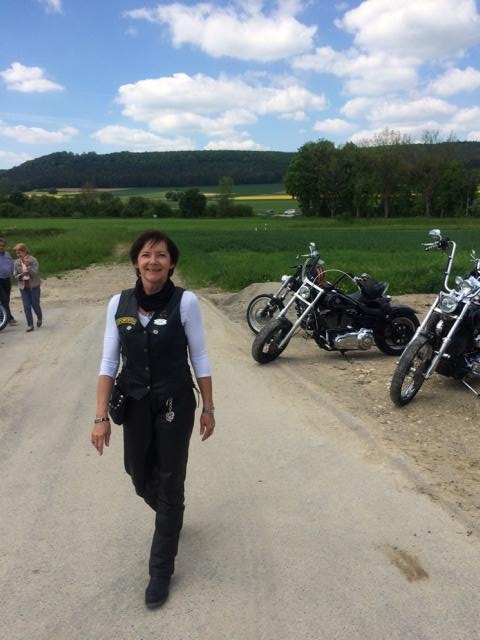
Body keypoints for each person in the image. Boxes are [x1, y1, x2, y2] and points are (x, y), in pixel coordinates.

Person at [91, 229, 215, 609]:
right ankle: (170, 512)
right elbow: (109, 361)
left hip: (175, 399)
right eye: (146, 255)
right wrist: (99, 416)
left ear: (171, 263)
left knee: (170, 478)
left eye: (161, 255)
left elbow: (200, 357)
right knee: (137, 472)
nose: (153, 261)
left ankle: (160, 571)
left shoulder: (186, 303)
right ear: (136, 262)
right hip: (135, 400)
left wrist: (209, 407)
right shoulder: (119, 303)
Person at [13, 243, 43, 332]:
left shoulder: (33, 260)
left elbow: (35, 272)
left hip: (34, 286)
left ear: (25, 251)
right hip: (23, 287)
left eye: (20, 252)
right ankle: (30, 325)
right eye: (17, 253)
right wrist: (21, 275)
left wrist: (28, 267)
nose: (18, 255)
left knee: (35, 304)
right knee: (26, 306)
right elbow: (15, 275)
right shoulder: (16, 262)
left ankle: (39, 317)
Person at [0, 237, 17, 325]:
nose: (1, 247)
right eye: (0, 246)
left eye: (3, 246)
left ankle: (3, 317)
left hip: (7, 280)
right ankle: (9, 318)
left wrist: (15, 275)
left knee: (6, 299)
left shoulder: (8, 255)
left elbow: (12, 265)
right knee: (4, 299)